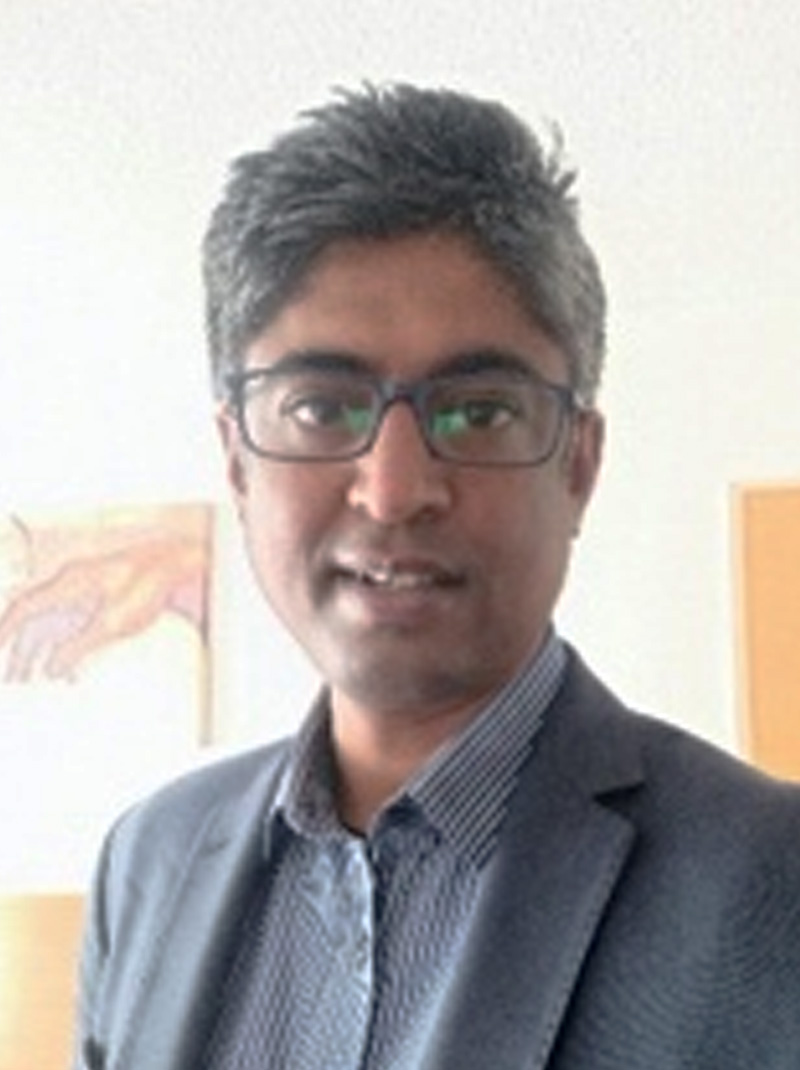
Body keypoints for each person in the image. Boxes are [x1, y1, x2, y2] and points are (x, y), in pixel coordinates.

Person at [74, 83, 800, 1070]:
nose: (393, 490)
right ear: (237, 461)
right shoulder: (149, 863)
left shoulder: (767, 877)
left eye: (479, 411)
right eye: (322, 407)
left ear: (578, 465)